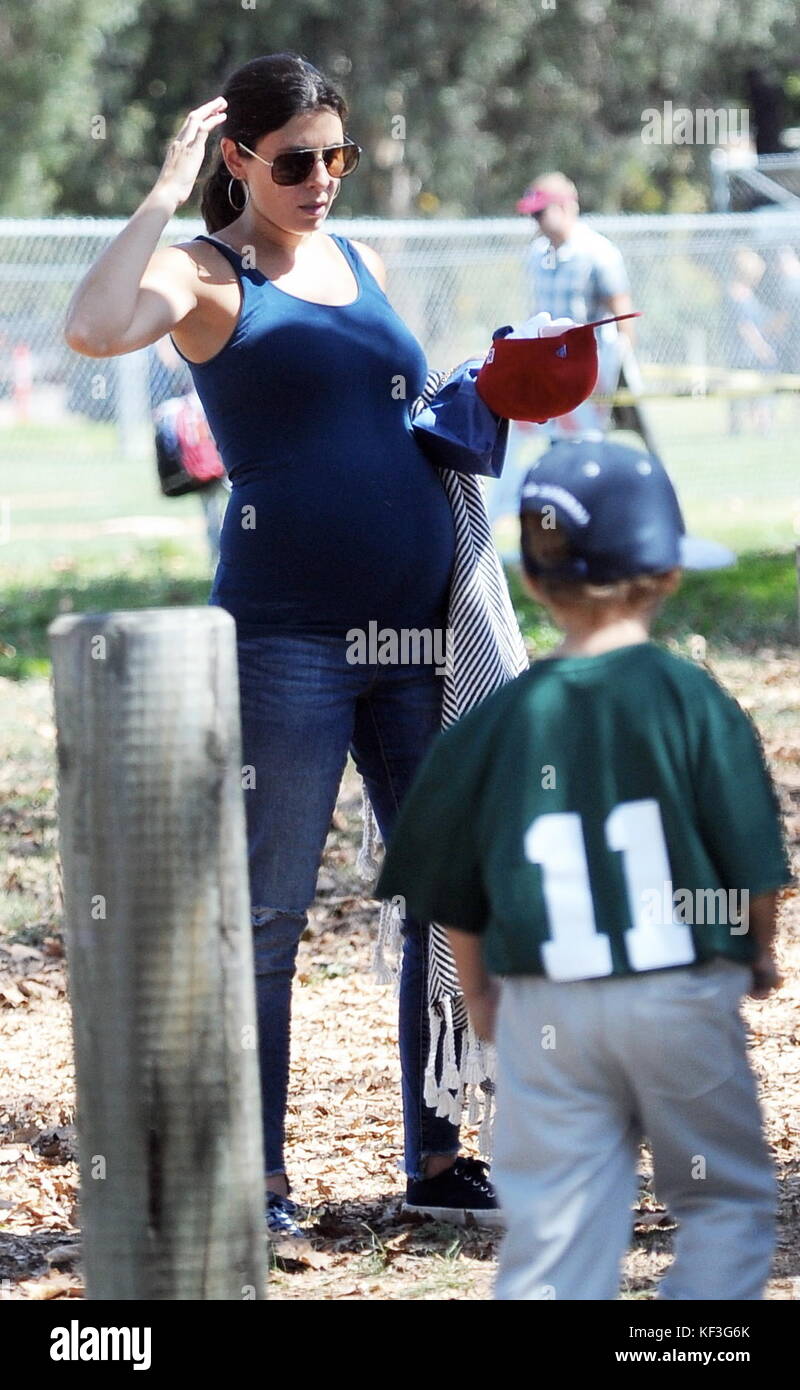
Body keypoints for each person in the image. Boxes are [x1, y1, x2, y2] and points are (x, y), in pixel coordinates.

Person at [64, 51, 523, 1239]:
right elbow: (93, 326)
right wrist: (164, 193)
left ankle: (437, 1155)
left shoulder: (353, 257)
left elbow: (385, 416)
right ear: (237, 160)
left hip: (417, 632)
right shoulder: (207, 274)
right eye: (295, 162)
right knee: (269, 912)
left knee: (444, 889)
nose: (322, 179)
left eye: (337, 157)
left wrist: (485, 391)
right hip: (288, 642)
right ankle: (257, 1180)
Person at [376, 438, 793, 1299]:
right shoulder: (693, 702)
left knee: (560, 1219)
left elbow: (450, 885)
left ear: (533, 580)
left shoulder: (490, 726)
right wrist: (754, 955)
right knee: (723, 1206)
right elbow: (753, 859)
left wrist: (486, 997)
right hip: (677, 1001)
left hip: (547, 1008)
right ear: (669, 573)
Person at [489, 172, 635, 527]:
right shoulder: (537, 254)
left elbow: (621, 312)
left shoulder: (598, 252)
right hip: (548, 371)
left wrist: (619, 366)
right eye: (532, 215)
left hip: (589, 372)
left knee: (584, 447)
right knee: (542, 442)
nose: (536, 222)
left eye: (541, 213)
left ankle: (593, 518)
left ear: (567, 207)